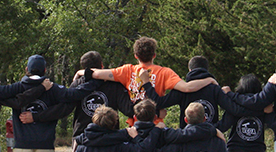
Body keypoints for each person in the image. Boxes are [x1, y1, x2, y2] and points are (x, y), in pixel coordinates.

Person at [87, 36, 216, 106]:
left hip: (134, 123)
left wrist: (81, 72)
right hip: (155, 122)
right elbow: (188, 88)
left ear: (136, 56)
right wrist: (209, 80)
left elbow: (97, 73)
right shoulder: (164, 73)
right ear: (154, 55)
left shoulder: (126, 71)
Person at [67, 51, 134, 143]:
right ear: (101, 65)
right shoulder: (114, 85)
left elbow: (66, 108)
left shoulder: (78, 84)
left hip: (82, 137)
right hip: (110, 138)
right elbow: (128, 109)